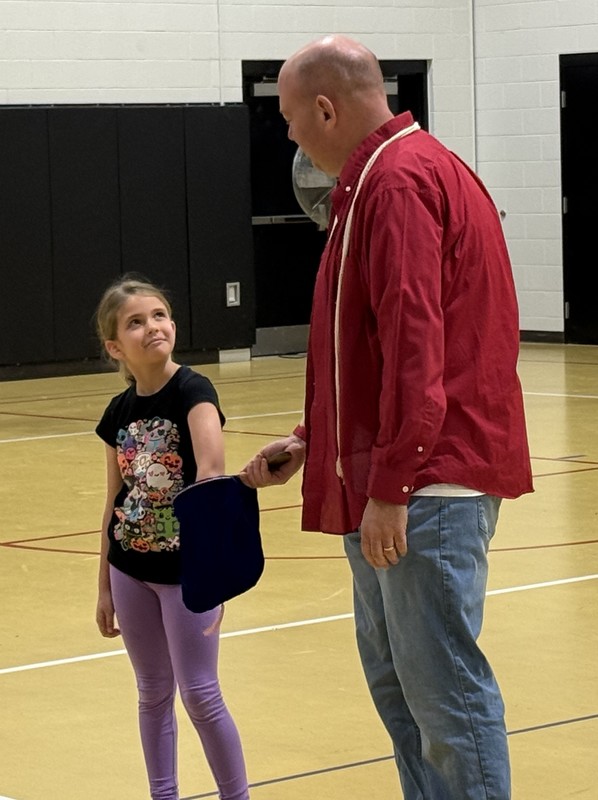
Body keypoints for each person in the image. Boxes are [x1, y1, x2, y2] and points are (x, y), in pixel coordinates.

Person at [242, 35, 533, 800]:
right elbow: (364, 342)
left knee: (445, 701)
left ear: (327, 108)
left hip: (423, 487)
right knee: (404, 693)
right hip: (401, 477)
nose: (293, 135)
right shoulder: (392, 175)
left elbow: (415, 349)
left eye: (292, 118)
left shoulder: (399, 183)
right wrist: (316, 438)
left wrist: (392, 487)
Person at [94, 275, 249, 800]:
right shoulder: (117, 412)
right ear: (116, 346)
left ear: (173, 326)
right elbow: (114, 501)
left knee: (201, 694)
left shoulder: (194, 391)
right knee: (152, 693)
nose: (151, 327)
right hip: (130, 571)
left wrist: (217, 581)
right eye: (135, 322)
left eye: (158, 315)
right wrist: (103, 587)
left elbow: (212, 478)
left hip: (188, 576)